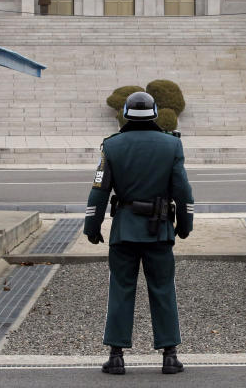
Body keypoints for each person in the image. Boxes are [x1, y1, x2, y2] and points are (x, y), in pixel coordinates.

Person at [83, 92, 194, 375]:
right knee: (163, 289)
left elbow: (99, 190)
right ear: (155, 113)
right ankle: (169, 355)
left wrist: (92, 227)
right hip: (159, 231)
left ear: (126, 114)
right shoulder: (172, 145)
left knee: (121, 289)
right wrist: (185, 224)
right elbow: (182, 190)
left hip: (124, 230)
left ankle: (116, 355)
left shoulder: (112, 146)